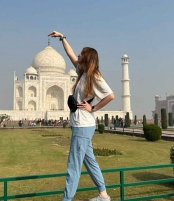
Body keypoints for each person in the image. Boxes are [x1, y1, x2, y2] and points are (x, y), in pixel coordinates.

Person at [49, 30, 114, 201]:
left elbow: (110, 95)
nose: (78, 54)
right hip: (81, 124)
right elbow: (70, 54)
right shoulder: (83, 72)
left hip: (83, 125)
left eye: (82, 53)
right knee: (89, 161)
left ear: (88, 58)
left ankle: (67, 199)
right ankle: (103, 195)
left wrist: (93, 108)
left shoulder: (95, 77)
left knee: (73, 165)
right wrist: (62, 38)